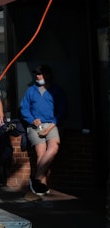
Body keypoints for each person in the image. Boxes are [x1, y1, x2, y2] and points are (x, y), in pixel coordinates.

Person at [20, 64, 68, 195]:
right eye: (36, 74)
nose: (37, 76)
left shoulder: (56, 90)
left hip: (51, 124)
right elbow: (24, 108)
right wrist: (32, 120)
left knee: (53, 148)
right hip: (36, 125)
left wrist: (52, 125)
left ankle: (36, 180)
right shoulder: (31, 90)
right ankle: (42, 185)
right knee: (41, 153)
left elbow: (62, 110)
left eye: (40, 74)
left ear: (47, 75)